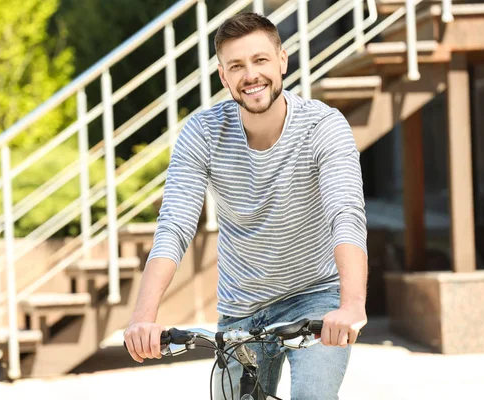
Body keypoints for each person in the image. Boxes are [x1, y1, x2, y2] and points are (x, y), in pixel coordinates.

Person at [123, 12, 368, 400]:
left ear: (282, 61)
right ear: (223, 76)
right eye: (236, 65)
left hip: (316, 297)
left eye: (260, 60)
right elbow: (175, 225)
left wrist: (351, 305)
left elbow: (346, 214)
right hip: (241, 309)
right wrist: (142, 318)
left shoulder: (323, 126)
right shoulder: (203, 133)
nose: (250, 75)